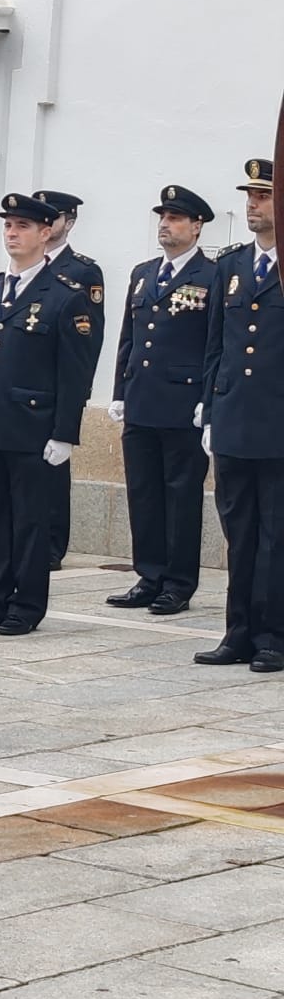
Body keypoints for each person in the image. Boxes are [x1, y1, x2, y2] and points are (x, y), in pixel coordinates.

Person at [0, 193, 95, 637]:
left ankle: (27, 604)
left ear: (45, 232)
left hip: (33, 426)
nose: (12, 234)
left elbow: (74, 371)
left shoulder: (65, 296)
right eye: (8, 226)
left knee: (30, 520)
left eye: (22, 227)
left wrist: (64, 432)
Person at [107, 184, 218, 616]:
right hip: (141, 399)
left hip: (182, 403)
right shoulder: (144, 272)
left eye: (174, 219)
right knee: (144, 493)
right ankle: (149, 574)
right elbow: (128, 338)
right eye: (162, 218)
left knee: (181, 496)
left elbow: (214, 345)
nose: (165, 226)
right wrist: (119, 391)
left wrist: (206, 401)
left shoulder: (211, 276)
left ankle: (178, 583)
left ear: (196, 226)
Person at [197, 159, 284, 673]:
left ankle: (272, 633)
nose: (252, 204)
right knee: (240, 531)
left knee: (276, 534)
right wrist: (210, 410)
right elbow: (216, 347)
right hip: (233, 419)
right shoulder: (229, 266)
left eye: (264, 195)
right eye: (250, 195)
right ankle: (238, 632)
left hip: (277, 425)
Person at [32, 190, 105, 570]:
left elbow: (89, 337)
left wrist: (78, 392)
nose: (46, 226)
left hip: (60, 386)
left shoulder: (82, 270)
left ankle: (52, 543)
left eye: (53, 218)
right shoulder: (26, 265)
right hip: (24, 389)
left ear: (69, 222)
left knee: (53, 471)